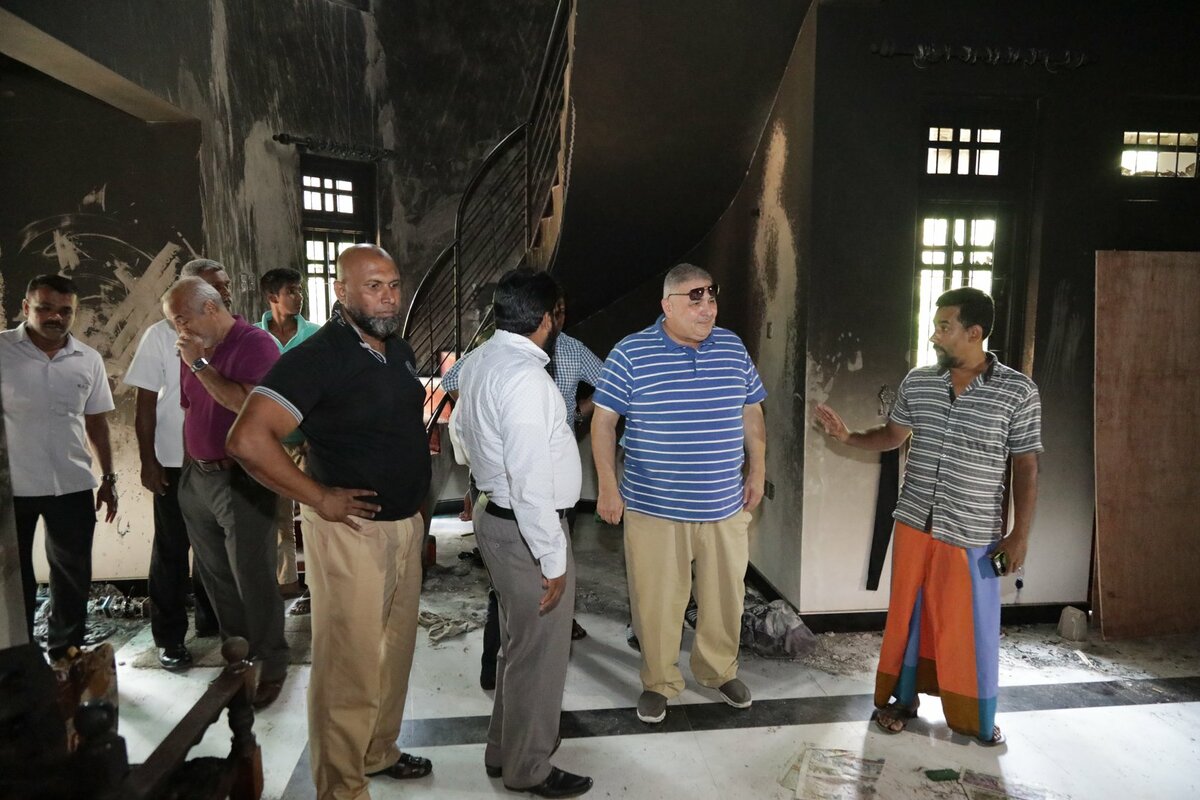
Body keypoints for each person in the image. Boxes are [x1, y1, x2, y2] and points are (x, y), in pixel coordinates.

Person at [227, 245, 433, 799]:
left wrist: (417, 512)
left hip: (402, 528)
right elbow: (248, 439)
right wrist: (319, 497)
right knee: (348, 667)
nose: (388, 297)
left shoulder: (396, 349)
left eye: (394, 284)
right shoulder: (317, 356)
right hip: (350, 533)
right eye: (374, 286)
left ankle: (377, 752)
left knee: (393, 655)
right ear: (341, 292)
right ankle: (341, 788)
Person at [814, 286, 1042, 746]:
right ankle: (902, 701)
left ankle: (974, 718)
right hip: (915, 522)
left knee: (969, 628)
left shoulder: (1018, 391)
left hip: (972, 532)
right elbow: (893, 435)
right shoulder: (919, 382)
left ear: (974, 332)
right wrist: (848, 436)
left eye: (944, 327)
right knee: (908, 618)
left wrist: (1019, 535)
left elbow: (1026, 465)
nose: (934, 336)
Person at [591, 262, 767, 725]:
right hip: (655, 508)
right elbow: (604, 422)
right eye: (695, 299)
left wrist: (758, 470)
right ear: (667, 306)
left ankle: (718, 670)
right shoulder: (631, 353)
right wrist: (607, 486)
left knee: (725, 597)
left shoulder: (732, 347)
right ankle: (658, 681)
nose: (707, 308)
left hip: (724, 505)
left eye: (711, 296)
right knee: (656, 601)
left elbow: (752, 411)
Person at [453, 268, 593, 799]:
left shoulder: (480, 360)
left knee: (517, 645)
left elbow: (459, 433)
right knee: (540, 656)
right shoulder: (528, 380)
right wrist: (553, 559)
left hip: (497, 517)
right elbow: (532, 483)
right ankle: (528, 768)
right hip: (526, 531)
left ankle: (502, 750)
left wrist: (483, 474)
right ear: (546, 319)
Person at [442, 291, 604, 686]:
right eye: (555, 311)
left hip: (534, 488)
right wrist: (488, 432)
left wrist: (575, 414)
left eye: (564, 311)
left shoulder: (564, 350)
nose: (559, 318)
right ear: (544, 316)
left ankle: (548, 629)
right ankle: (497, 664)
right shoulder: (517, 372)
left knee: (530, 609)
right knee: (523, 611)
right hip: (520, 495)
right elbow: (451, 383)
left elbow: (610, 385)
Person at [162, 274, 288, 708]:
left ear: (211, 308)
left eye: (182, 318)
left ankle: (272, 664)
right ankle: (239, 660)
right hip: (198, 477)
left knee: (252, 577)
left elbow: (249, 406)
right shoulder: (194, 349)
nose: (179, 329)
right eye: (174, 322)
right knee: (216, 578)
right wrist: (189, 470)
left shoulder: (256, 345)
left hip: (241, 477)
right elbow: (191, 409)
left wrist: (200, 364)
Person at [0, 274, 117, 659]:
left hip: (71, 484)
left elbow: (97, 423)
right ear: (25, 308)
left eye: (65, 311)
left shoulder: (87, 359)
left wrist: (108, 478)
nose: (56, 317)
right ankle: (18, 658)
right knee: (11, 580)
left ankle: (66, 653)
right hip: (11, 488)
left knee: (72, 575)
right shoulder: (2, 351)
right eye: (45, 308)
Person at [124, 259, 225, 670]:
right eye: (214, 287)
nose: (223, 294)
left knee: (215, 548)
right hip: (173, 460)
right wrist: (148, 460)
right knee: (171, 550)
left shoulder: (228, 333)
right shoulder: (160, 335)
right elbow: (145, 402)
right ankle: (169, 638)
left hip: (219, 459)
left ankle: (211, 619)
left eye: (224, 287)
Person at [254, 267, 321, 598]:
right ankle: (288, 585)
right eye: (291, 291)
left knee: (315, 513)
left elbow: (324, 388)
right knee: (279, 518)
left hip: (308, 442)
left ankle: (319, 585)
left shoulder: (315, 335)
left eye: (300, 290)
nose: (299, 296)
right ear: (272, 297)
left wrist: (315, 434)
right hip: (270, 443)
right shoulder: (253, 338)